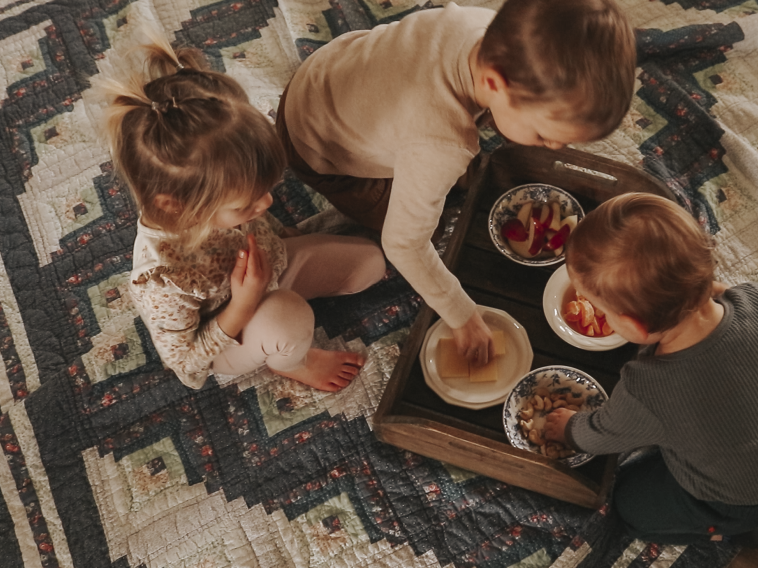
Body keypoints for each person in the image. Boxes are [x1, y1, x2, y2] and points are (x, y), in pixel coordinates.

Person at [275, 0, 636, 366]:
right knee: (428, 229)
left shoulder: (485, 25)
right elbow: (403, 244)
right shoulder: (440, 144)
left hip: (323, 74)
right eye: (544, 136)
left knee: (453, 168)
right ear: (496, 82)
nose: (554, 147)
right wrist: (460, 312)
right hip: (317, 149)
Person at [100, 37, 387, 391]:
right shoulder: (161, 281)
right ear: (175, 204)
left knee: (371, 262)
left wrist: (282, 236)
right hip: (230, 334)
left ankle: (283, 309)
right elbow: (187, 364)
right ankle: (294, 362)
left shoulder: (223, 195)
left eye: (264, 191)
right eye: (246, 204)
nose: (265, 203)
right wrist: (245, 303)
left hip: (272, 269)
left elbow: (259, 221)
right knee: (287, 316)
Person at [544, 193, 758, 549]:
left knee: (629, 505)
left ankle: (732, 532)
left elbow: (603, 433)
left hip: (728, 499)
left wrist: (570, 429)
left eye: (601, 310)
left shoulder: (646, 389)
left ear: (634, 328)